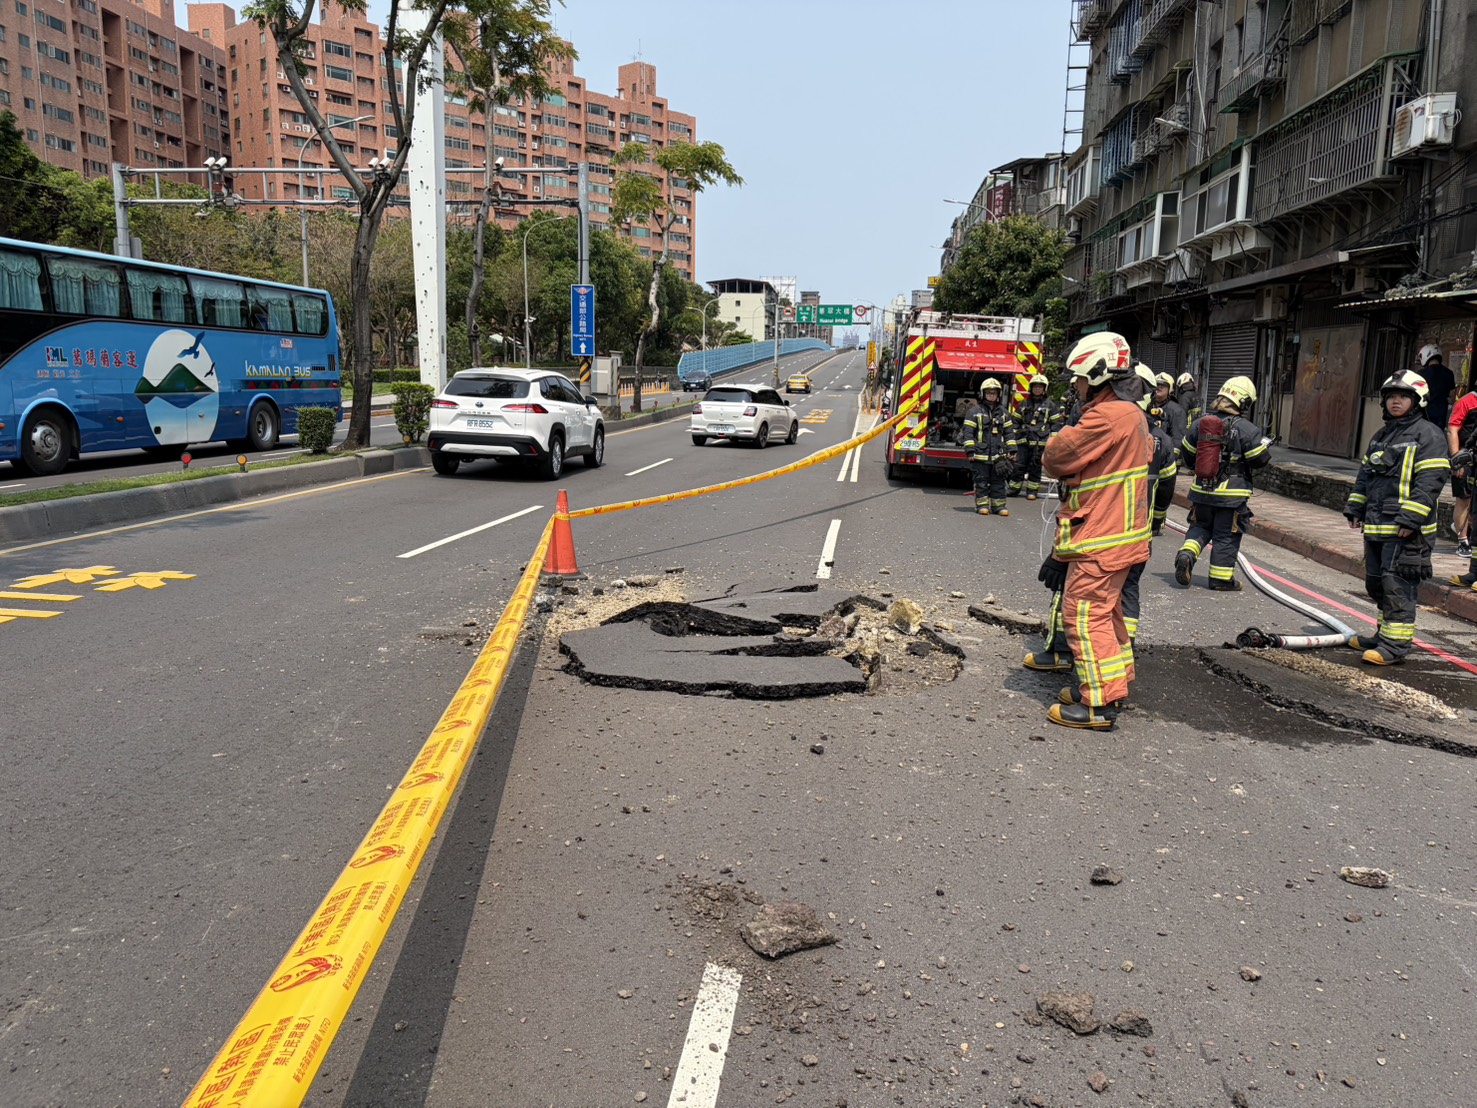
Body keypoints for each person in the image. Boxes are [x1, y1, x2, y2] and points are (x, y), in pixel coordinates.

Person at [1041, 332, 1153, 731]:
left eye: (1079, 378)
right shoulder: (1133, 415)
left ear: (1096, 371)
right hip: (1123, 537)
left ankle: (1097, 705)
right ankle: (1112, 687)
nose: (1076, 385)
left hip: (1100, 539)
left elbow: (1056, 457)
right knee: (1109, 616)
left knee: (1085, 616)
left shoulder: (1105, 417)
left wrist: (1056, 440)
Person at [1343, 371, 1451, 664]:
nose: (1396, 401)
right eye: (1391, 396)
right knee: (1377, 584)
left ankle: (1395, 647)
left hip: (1407, 530)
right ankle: (1383, 634)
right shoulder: (1381, 436)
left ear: (1417, 401)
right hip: (1378, 526)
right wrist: (1355, 507)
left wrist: (1410, 520)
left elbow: (1431, 481)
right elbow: (1365, 476)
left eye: (1403, 396)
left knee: (1397, 586)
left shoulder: (1429, 435)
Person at [1174, 376, 1272, 592]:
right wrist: (1263, 446)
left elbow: (1188, 458)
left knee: (1199, 527)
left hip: (1201, 491)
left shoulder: (1200, 424)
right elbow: (1260, 461)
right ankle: (1221, 579)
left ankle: (1187, 554)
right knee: (1225, 535)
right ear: (1244, 403)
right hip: (1231, 496)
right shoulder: (1248, 429)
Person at [962, 378, 1014, 516]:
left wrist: (1012, 450)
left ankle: (999, 506)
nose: (991, 395)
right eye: (989, 392)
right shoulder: (974, 411)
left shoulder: (1004, 413)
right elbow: (968, 433)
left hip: (998, 455)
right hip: (980, 454)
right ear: (983, 394)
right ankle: (982, 505)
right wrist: (970, 450)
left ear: (998, 394)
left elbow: (1009, 433)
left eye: (994, 392)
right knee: (981, 481)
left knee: (999, 481)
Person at [1009, 373, 1063, 500]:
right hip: (1023, 442)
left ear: (1044, 389)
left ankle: (1032, 491)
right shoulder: (1024, 404)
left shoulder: (1051, 405)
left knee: (1035, 467)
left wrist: (1053, 442)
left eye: (1040, 387)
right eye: (1035, 386)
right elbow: (1015, 420)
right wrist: (1015, 434)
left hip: (1040, 443)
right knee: (1018, 466)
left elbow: (1056, 424)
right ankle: (1013, 489)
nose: (1037, 389)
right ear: (1031, 388)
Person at [1147, 372, 1186, 534]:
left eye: (1162, 386)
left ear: (1169, 390)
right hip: (1149, 455)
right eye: (1156, 386)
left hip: (1165, 458)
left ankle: (1157, 523)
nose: (1158, 389)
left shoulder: (1176, 410)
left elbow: (1178, 436)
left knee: (1163, 491)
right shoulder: (1148, 405)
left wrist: (1173, 458)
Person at [1447, 385, 1476, 561]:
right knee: (1464, 499)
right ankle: (1462, 541)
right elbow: (1453, 429)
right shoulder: (1467, 401)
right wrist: (1457, 459)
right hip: (1467, 457)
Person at [1418, 344, 1456, 430]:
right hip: (1442, 413)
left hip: (1425, 413)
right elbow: (1452, 394)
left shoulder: (1421, 374)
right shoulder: (1449, 373)